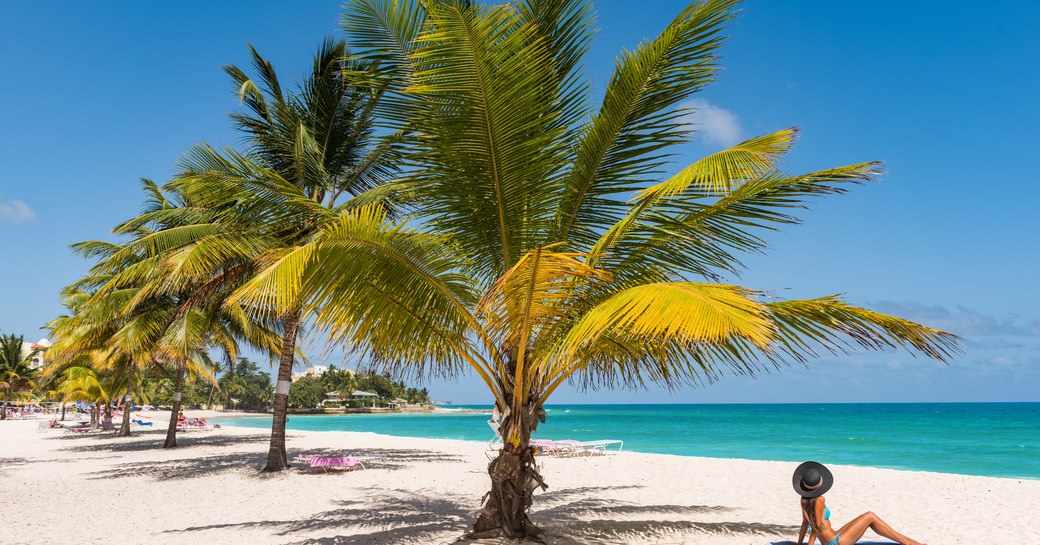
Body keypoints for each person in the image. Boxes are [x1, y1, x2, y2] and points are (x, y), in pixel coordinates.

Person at [793, 461, 927, 545]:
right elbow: (816, 527)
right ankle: (907, 542)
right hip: (836, 542)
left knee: (868, 517)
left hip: (833, 537)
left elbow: (805, 523)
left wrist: (799, 544)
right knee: (870, 516)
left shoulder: (804, 500)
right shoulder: (820, 500)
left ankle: (908, 541)